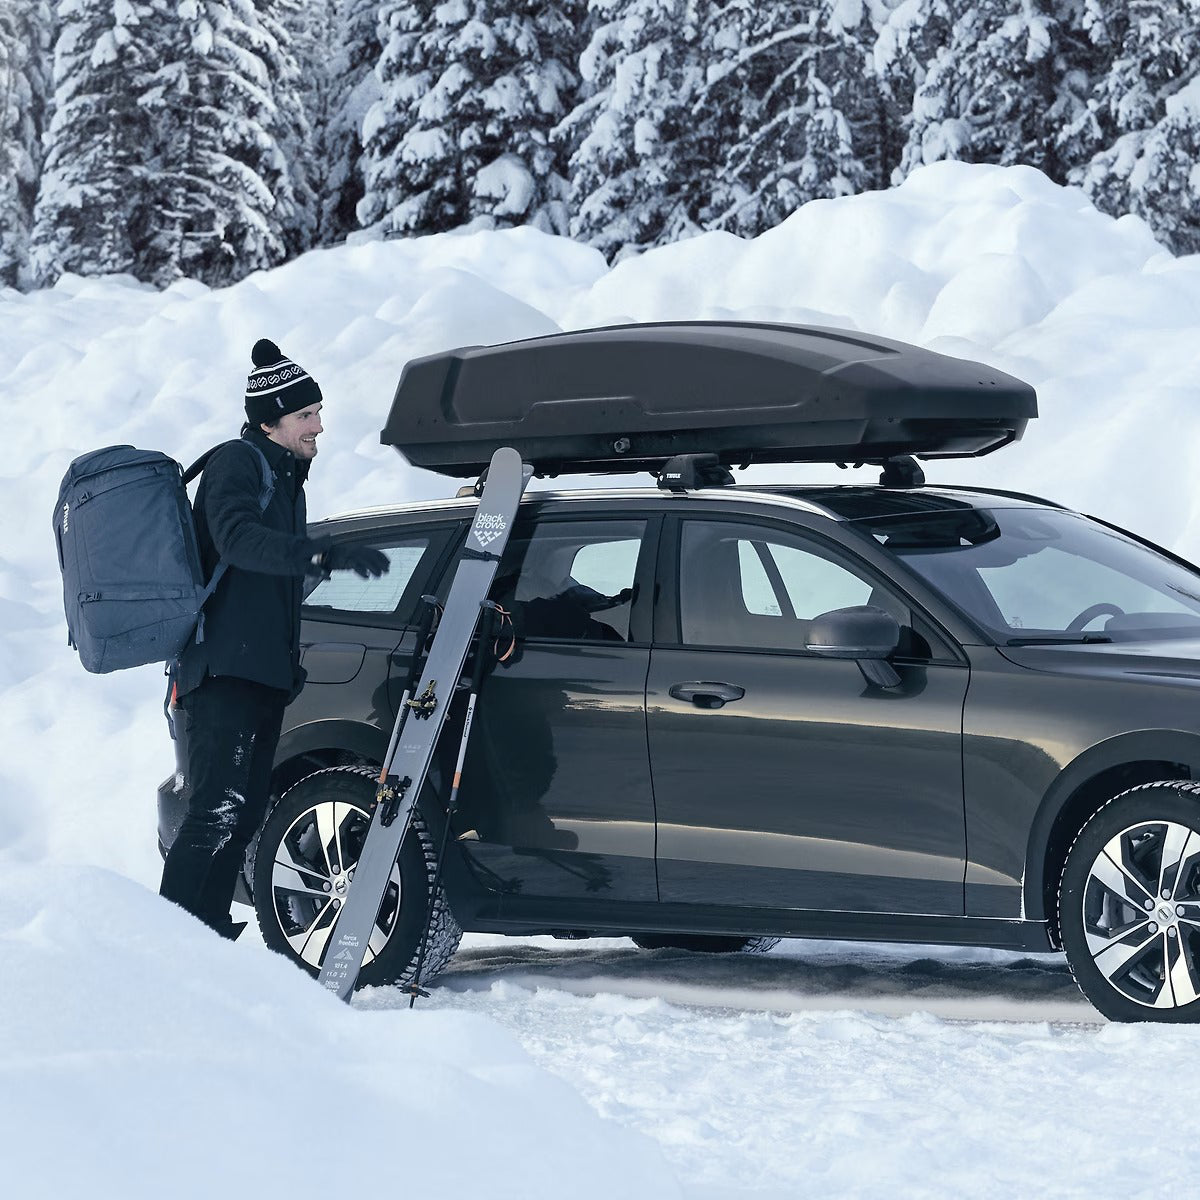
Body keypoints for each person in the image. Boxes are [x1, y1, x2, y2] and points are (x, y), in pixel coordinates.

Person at [159, 338, 389, 939]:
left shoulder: (286, 477)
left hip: (260, 673)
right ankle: (165, 940)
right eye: (306, 415)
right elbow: (235, 539)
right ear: (270, 422)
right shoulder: (240, 461)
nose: (320, 425)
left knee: (245, 809)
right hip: (223, 674)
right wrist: (314, 551)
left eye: (318, 411)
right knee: (217, 807)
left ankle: (203, 931)